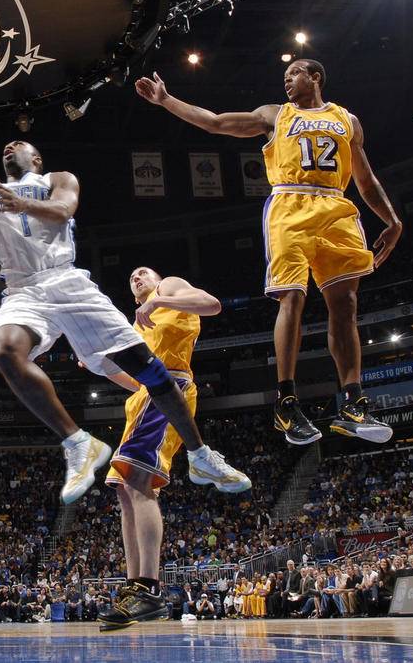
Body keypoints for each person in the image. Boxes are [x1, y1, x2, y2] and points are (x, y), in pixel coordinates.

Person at [0, 104, 248, 503]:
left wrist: (24, 205)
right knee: (3, 349)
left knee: (151, 371)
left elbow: (63, 210)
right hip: (23, 289)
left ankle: (200, 455)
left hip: (66, 280)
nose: (10, 146)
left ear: (36, 159)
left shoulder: (57, 179)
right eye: (6, 146)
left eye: (19, 143)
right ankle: (78, 443)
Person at [136, 62, 402, 445]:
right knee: (292, 297)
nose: (287, 79)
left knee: (345, 305)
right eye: (285, 75)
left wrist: (392, 220)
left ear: (315, 77)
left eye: (294, 73)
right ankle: (286, 402)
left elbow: (365, 178)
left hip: (335, 207)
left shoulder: (348, 120)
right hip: (290, 205)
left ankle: (352, 402)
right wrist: (167, 101)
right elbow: (215, 122)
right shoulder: (275, 114)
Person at [98, 267, 248, 631]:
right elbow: (134, 380)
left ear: (156, 278)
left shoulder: (168, 288)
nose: (136, 277)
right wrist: (101, 367)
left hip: (170, 388)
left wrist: (160, 298)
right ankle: (134, 586)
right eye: (131, 277)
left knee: (139, 483)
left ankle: (148, 589)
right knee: (124, 490)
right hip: (141, 400)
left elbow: (211, 304)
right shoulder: (136, 323)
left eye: (143, 272)